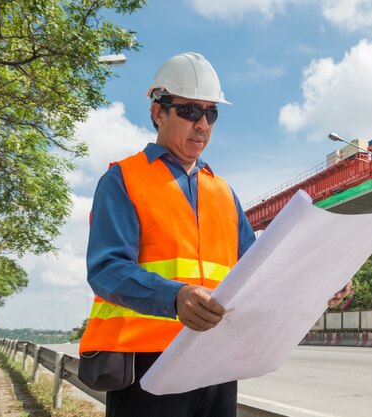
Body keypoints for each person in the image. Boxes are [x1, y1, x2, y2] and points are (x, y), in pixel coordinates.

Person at [79, 52, 351, 417]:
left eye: (211, 113)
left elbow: (257, 274)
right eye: (190, 111)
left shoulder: (223, 191)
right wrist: (175, 297)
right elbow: (106, 269)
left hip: (217, 363)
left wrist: (317, 287)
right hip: (146, 367)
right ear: (158, 112)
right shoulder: (123, 180)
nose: (202, 124)